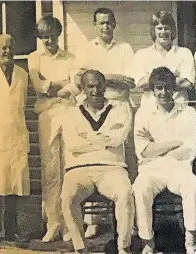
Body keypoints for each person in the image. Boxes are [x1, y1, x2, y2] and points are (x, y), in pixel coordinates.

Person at [73, 7, 135, 237]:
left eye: (109, 22)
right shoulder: (88, 48)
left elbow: (129, 80)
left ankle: (128, 218)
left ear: (115, 23)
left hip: (119, 107)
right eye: (101, 23)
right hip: (94, 108)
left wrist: (98, 75)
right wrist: (110, 77)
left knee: (123, 160)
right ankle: (93, 221)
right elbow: (79, 78)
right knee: (95, 156)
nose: (105, 27)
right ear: (95, 25)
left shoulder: (125, 48)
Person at [60, 69, 134, 254]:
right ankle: (80, 248)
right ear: (83, 89)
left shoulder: (120, 108)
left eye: (99, 85)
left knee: (125, 193)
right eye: (90, 86)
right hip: (78, 170)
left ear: (105, 86)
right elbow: (72, 144)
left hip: (112, 168)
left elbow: (118, 138)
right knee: (67, 197)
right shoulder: (71, 112)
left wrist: (87, 137)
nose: (95, 90)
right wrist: (102, 140)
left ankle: (123, 247)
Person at [132, 67, 196, 254]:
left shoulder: (188, 113)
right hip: (151, 170)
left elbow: (189, 150)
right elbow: (144, 151)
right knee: (140, 188)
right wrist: (174, 143)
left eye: (168, 88)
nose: (164, 92)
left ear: (175, 89)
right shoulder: (143, 113)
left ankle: (190, 242)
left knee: (193, 185)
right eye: (159, 88)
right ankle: (148, 243)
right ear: (153, 90)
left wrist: (157, 146)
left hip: (179, 169)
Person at [28, 15, 78, 242]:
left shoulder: (71, 58)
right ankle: (53, 223)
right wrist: (60, 85)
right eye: (44, 37)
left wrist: (54, 86)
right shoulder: (34, 59)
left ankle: (69, 224)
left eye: (52, 35)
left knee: (69, 167)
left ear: (58, 34)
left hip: (68, 111)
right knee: (50, 169)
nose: (49, 40)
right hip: (47, 114)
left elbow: (75, 86)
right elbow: (40, 86)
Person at [0, 34, 30, 245]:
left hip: (17, 136)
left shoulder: (22, 74)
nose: (7, 51)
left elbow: (22, 105)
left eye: (10, 47)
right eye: (2, 48)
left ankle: (11, 232)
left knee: (14, 186)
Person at [133, 11, 195, 111]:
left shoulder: (184, 53)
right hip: (150, 108)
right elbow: (140, 83)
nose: (163, 32)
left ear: (172, 30)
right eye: (159, 28)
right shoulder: (142, 55)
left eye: (167, 28)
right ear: (153, 31)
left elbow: (187, 83)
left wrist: (152, 79)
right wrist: (175, 77)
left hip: (179, 108)